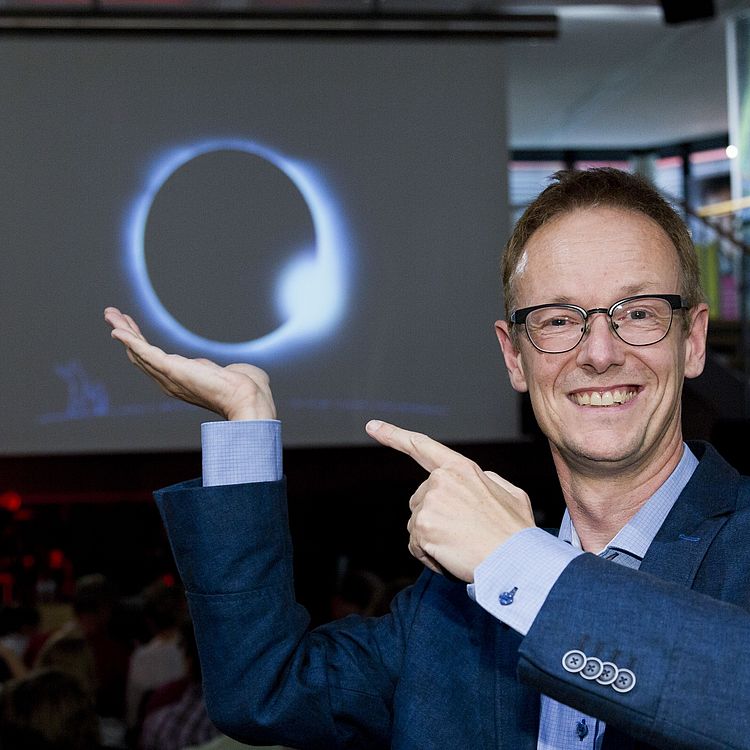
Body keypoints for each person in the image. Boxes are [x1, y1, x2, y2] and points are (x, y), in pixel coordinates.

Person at [105, 167, 750, 749]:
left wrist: (521, 563)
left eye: (638, 313)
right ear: (513, 356)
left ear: (692, 342)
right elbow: (262, 690)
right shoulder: (454, 612)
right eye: (558, 320)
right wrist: (245, 423)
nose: (600, 352)